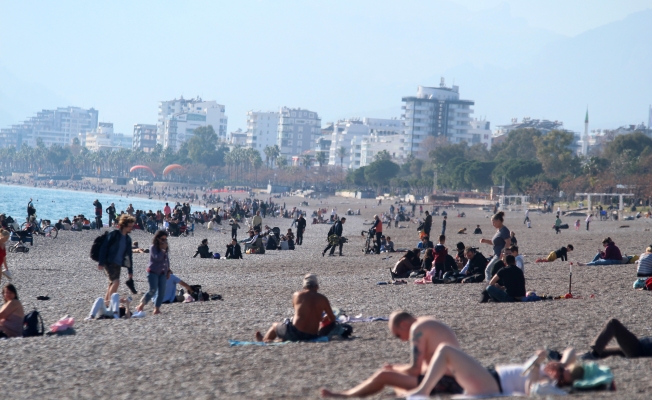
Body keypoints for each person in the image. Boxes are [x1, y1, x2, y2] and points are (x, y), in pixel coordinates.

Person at [320, 312, 463, 398]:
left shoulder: (417, 329)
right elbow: (426, 367)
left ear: (403, 324)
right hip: (455, 379)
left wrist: (393, 369)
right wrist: (397, 369)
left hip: (447, 382)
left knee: (384, 375)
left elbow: (415, 370)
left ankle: (347, 395)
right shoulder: (427, 322)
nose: (402, 339)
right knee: (396, 382)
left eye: (398, 335)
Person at [403, 346, 610, 398]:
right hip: (490, 376)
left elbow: (532, 389)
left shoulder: (551, 384)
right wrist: (562, 363)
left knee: (446, 351)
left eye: (567, 373)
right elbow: (571, 351)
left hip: (493, 384)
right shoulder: (556, 371)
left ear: (566, 380)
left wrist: (536, 365)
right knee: (434, 362)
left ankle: (422, 391)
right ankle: (419, 388)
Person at [255, 274, 335, 342]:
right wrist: (323, 318)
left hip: (295, 332)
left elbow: (300, 312)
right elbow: (332, 319)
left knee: (275, 325)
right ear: (317, 286)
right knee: (288, 330)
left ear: (304, 286)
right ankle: (277, 340)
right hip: (312, 335)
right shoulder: (323, 298)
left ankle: (264, 340)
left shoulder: (297, 295)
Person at [98, 215, 136, 302]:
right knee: (116, 282)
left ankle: (105, 303)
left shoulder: (128, 239)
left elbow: (129, 256)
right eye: (129, 226)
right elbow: (104, 247)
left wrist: (130, 271)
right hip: (109, 262)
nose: (131, 228)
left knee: (111, 283)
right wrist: (101, 261)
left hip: (118, 264)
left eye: (132, 226)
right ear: (124, 225)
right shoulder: (114, 234)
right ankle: (110, 303)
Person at [135, 230, 170, 315]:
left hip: (162, 272)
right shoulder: (153, 247)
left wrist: (168, 270)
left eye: (165, 239)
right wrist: (163, 250)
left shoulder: (165, 248)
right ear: (157, 238)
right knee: (152, 290)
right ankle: (141, 305)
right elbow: (157, 258)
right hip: (153, 272)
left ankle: (157, 309)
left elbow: (166, 259)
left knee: (162, 291)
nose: (164, 241)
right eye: (162, 239)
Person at [582, 318, 652, 359]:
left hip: (639, 349)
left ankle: (595, 353)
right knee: (603, 352)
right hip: (640, 346)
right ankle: (580, 357)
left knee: (614, 323)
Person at [480, 211, 511, 282]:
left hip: (500, 255)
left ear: (499, 221)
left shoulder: (504, 230)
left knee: (488, 269)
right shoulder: (499, 230)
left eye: (494, 222)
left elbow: (508, 243)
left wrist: (503, 254)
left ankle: (488, 285)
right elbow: (493, 242)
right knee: (496, 270)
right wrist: (485, 241)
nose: (492, 224)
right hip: (496, 254)